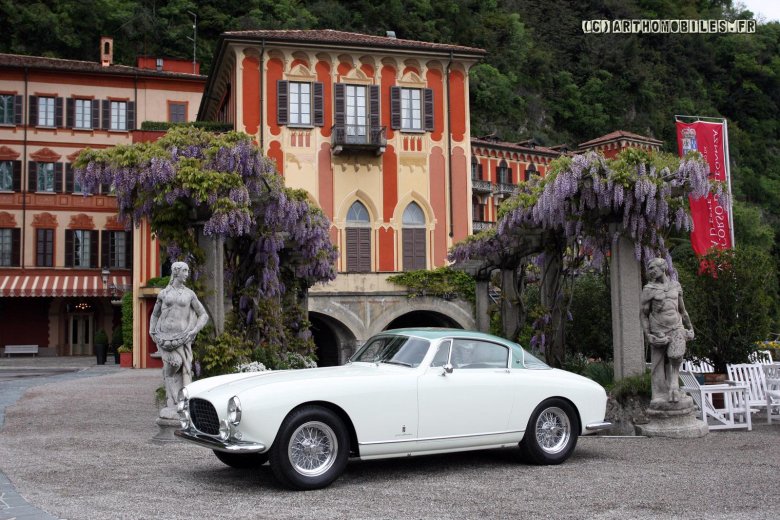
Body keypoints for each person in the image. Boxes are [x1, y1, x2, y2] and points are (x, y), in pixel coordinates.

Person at [149, 261, 209, 410]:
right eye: (185, 271)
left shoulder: (189, 294)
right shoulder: (163, 293)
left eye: (188, 271)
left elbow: (203, 315)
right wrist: (152, 329)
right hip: (164, 337)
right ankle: (173, 398)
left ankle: (179, 399)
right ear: (176, 272)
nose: (187, 275)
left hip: (183, 337)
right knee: (173, 363)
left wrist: (195, 330)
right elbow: (155, 314)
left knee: (180, 365)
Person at [640, 257, 694, 405]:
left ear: (663, 267)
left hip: (676, 325)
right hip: (658, 329)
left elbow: (682, 310)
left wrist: (690, 327)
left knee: (676, 356)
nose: (650, 271)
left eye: (653, 268)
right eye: (649, 268)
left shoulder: (676, 285)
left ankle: (674, 386)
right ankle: (659, 394)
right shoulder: (649, 289)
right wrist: (648, 335)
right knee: (657, 363)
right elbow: (643, 314)